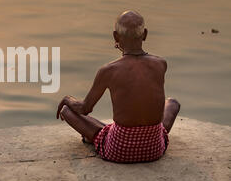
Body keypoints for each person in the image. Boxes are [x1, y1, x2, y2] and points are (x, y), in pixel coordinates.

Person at [56, 10, 180, 163]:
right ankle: (127, 133)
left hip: (120, 150)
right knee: (173, 103)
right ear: (145, 34)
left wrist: (67, 99)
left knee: (67, 111)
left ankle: (99, 135)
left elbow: (84, 109)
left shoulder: (108, 70)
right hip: (154, 149)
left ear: (115, 36)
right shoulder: (161, 64)